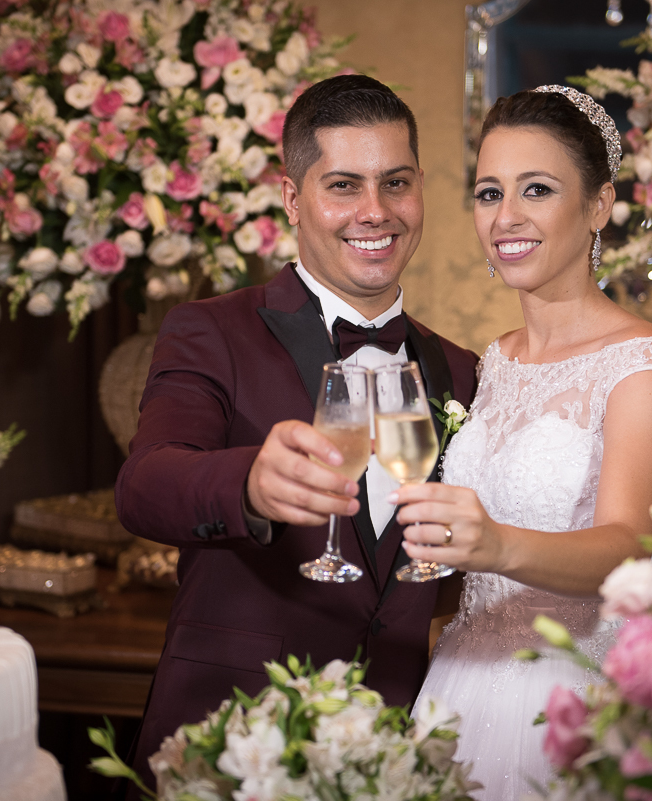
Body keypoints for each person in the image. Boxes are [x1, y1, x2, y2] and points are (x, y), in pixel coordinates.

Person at [114, 74, 479, 794]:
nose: (376, 211)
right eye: (344, 185)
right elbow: (144, 485)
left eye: (396, 183)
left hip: (390, 758)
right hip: (228, 741)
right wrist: (249, 484)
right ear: (292, 199)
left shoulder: (463, 370)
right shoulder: (210, 330)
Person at [394, 86, 652, 798]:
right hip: (458, 685)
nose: (506, 217)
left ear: (599, 206)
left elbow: (629, 546)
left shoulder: (644, 367)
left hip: (577, 697)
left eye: (537, 189)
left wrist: (497, 545)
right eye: (489, 193)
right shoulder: (495, 361)